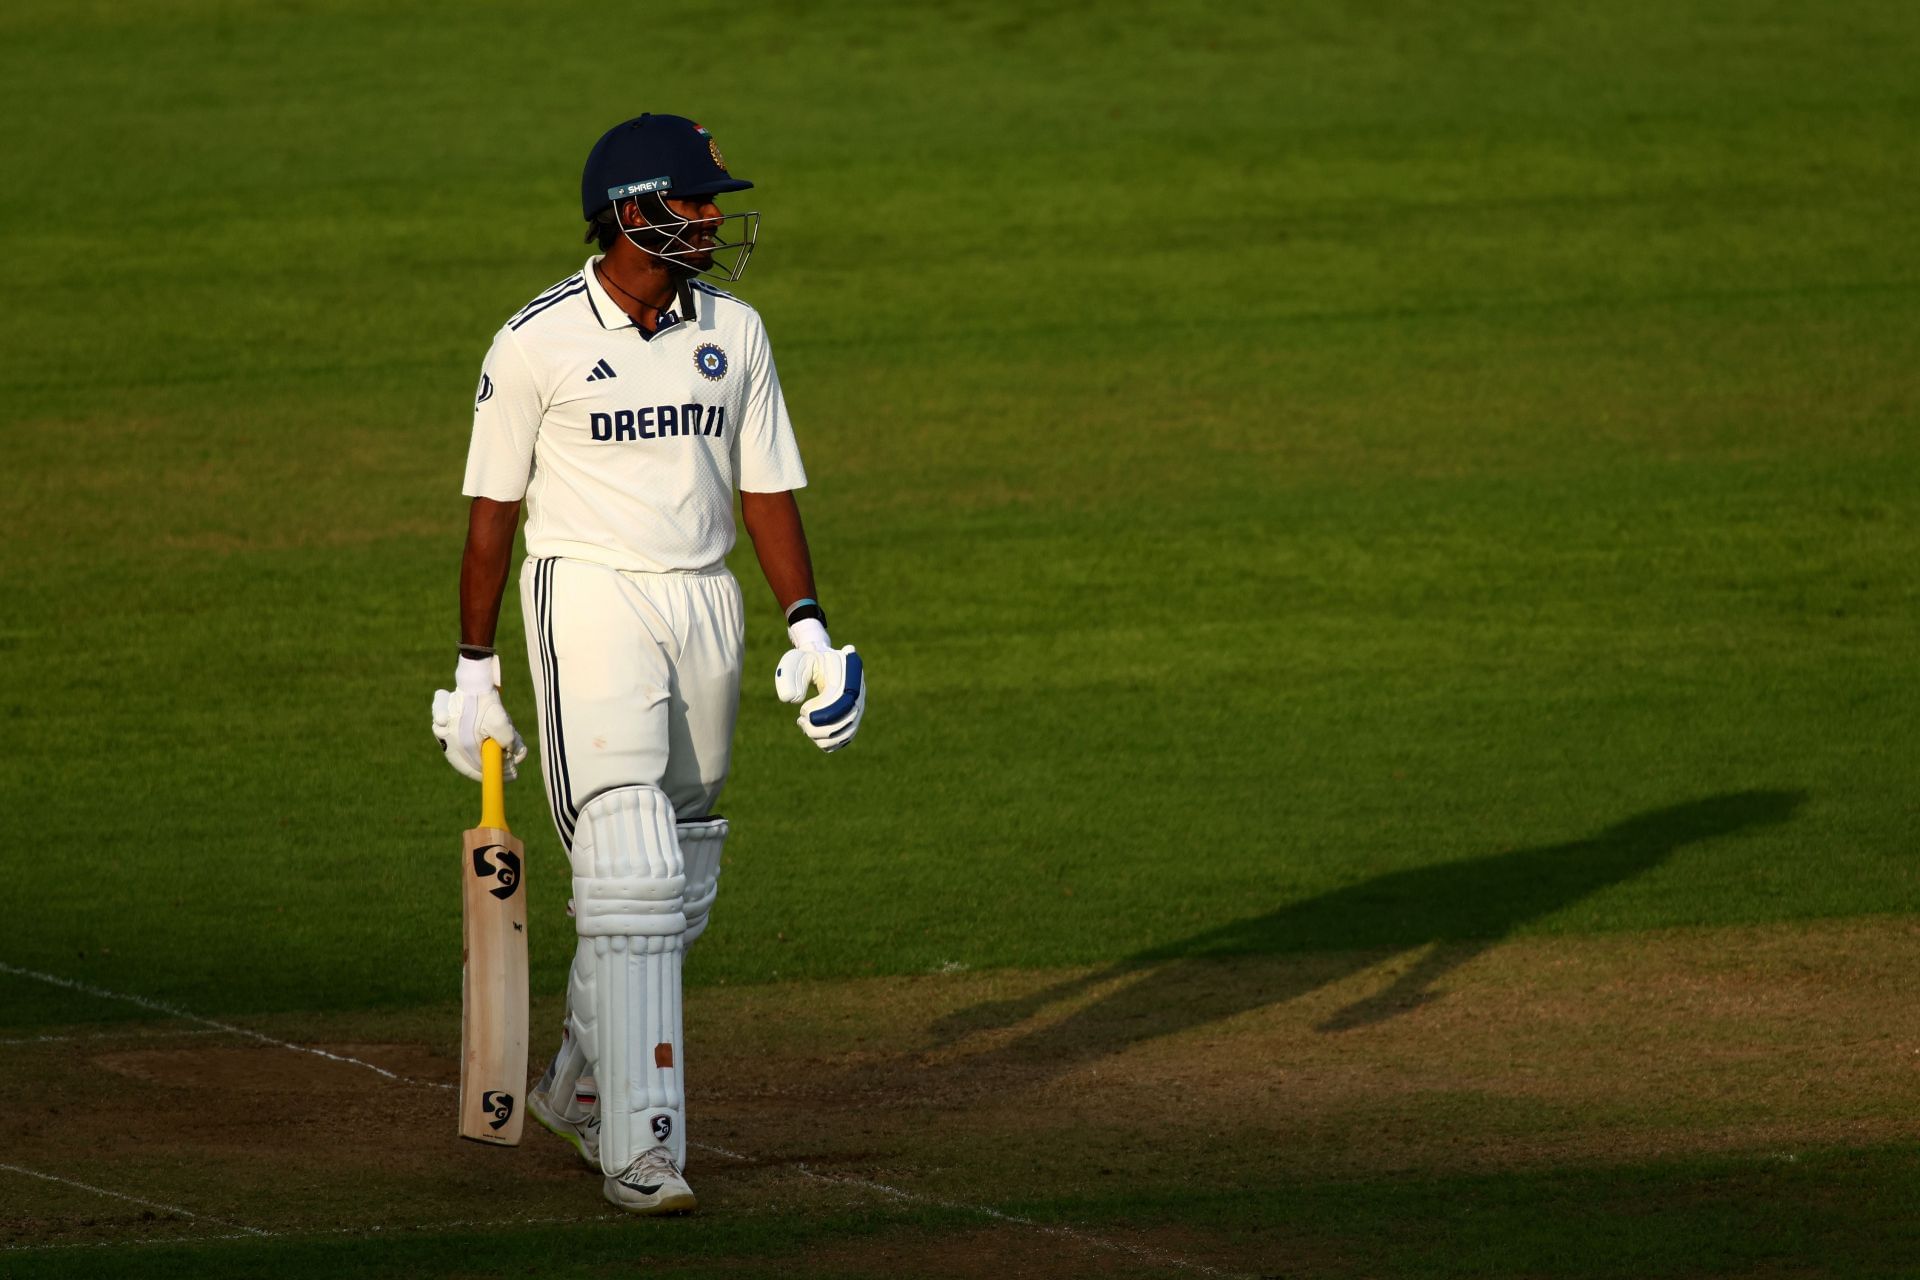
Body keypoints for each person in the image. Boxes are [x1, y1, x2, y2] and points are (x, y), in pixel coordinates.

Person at [430, 112, 866, 1214]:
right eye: (695, 201)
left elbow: (765, 485)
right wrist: (475, 670)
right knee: (627, 860)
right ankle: (641, 1146)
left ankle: (575, 1082)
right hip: (588, 593)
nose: (714, 218)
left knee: (680, 883)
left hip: (704, 597)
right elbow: (492, 515)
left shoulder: (736, 331)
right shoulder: (533, 342)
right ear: (632, 212)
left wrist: (808, 627)